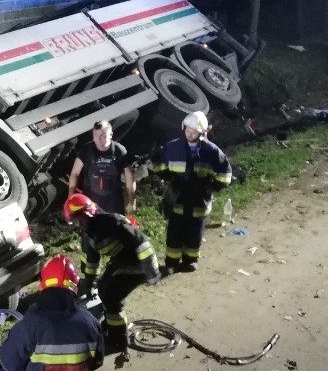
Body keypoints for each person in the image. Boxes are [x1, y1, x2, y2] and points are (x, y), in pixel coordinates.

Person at [62, 192, 160, 350]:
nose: (77, 224)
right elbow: (92, 261)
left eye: (78, 219)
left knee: (111, 297)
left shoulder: (113, 222)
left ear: (87, 213)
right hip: (120, 262)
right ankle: (111, 323)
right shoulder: (89, 234)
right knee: (103, 288)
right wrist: (90, 284)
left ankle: (118, 339)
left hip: (138, 264)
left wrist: (151, 271)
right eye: (74, 221)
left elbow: (142, 243)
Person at [152, 110, 232, 274]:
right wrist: (165, 175)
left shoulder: (211, 151)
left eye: (194, 131)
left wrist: (213, 187)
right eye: (187, 130)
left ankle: (190, 260)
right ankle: (171, 262)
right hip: (177, 196)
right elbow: (158, 160)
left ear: (202, 132)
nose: (190, 134)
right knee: (174, 231)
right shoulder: (173, 146)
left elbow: (226, 173)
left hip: (199, 199)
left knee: (194, 232)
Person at [67, 119, 136, 216]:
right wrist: (71, 197)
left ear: (111, 135)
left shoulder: (120, 151)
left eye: (103, 136)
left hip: (113, 204)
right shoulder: (86, 150)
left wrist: (132, 201)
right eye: (95, 135)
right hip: (89, 203)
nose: (98, 139)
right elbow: (75, 174)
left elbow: (130, 177)